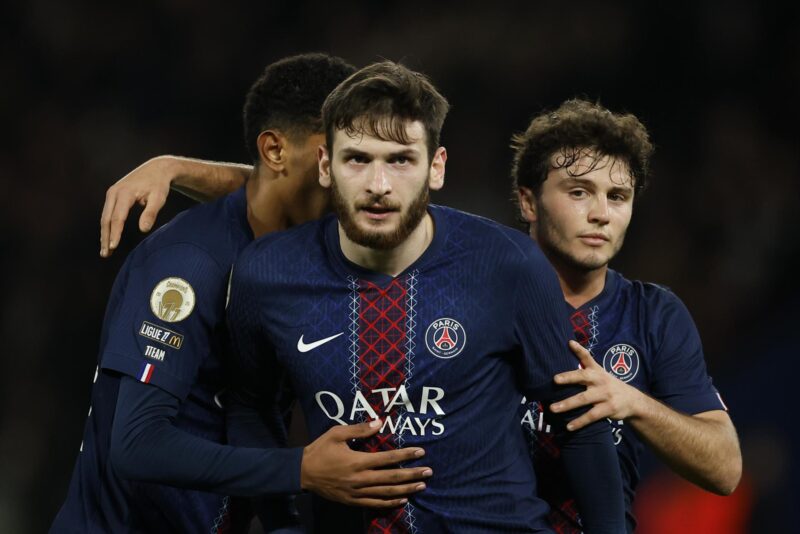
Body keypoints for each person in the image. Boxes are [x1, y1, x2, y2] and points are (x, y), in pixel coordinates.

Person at [223, 61, 625, 533]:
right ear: (325, 166)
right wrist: (281, 522)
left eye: (400, 160)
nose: (379, 185)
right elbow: (250, 407)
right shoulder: (266, 273)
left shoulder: (506, 264)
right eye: (357, 159)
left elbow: (580, 421)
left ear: (436, 168)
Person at [53, 54, 433, 534]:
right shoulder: (189, 265)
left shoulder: (295, 253)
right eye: (340, 156)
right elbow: (136, 443)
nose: (362, 179)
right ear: (278, 151)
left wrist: (282, 520)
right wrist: (301, 470)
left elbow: (247, 411)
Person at [511, 98, 742, 532]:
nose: (601, 214)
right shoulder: (480, 302)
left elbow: (725, 468)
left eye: (618, 196)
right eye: (578, 192)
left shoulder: (653, 314)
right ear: (528, 201)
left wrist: (632, 402)